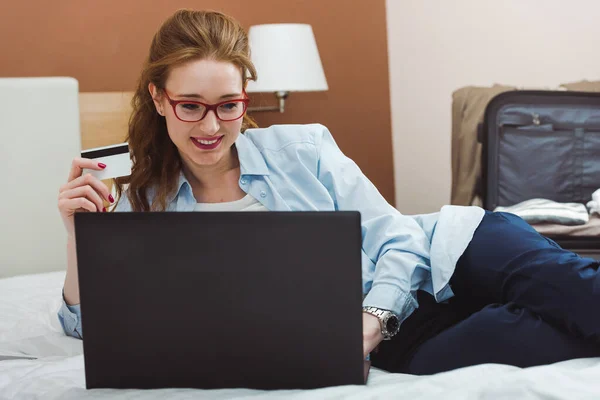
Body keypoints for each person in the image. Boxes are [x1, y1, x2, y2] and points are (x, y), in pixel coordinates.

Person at [57, 9, 600, 375]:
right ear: (157, 99)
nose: (212, 125)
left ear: (246, 98)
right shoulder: (139, 203)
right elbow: (94, 328)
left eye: (229, 104)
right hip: (407, 341)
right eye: (190, 104)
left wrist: (368, 324)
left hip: (456, 252)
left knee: (583, 297)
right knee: (554, 338)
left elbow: (400, 240)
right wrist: (78, 238)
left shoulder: (303, 148)